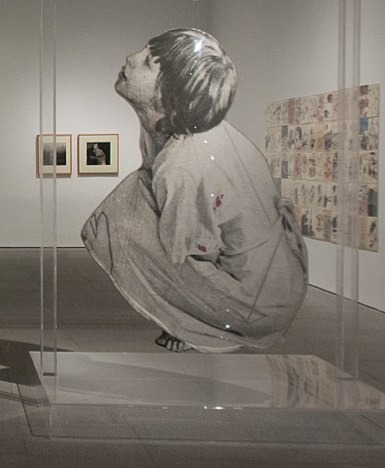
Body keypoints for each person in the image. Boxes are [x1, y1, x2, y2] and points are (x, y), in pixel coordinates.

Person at [80, 29, 308, 353]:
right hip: (281, 282)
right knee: (139, 192)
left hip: (261, 305)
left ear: (166, 95)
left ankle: (199, 329)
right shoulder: (189, 134)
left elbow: (189, 254)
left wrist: (185, 324)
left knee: (115, 221)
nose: (130, 59)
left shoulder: (183, 165)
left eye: (147, 62)